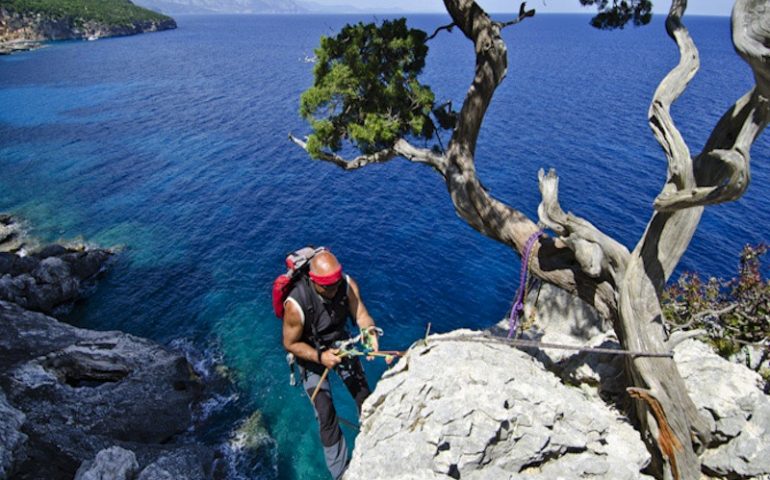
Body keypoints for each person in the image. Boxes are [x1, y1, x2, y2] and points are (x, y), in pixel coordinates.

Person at [282, 250, 379, 480]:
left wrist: (369, 332)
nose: (335, 290)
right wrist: (320, 357)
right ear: (315, 282)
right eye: (329, 286)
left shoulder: (346, 285)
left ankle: (375, 435)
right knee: (325, 413)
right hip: (312, 354)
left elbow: (362, 315)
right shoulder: (296, 305)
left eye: (337, 283)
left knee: (364, 397)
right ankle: (340, 472)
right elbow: (289, 343)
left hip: (341, 344)